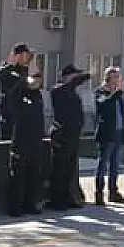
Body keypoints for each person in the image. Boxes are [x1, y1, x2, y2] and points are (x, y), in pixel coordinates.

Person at [0, 43, 45, 217]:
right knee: (18, 170)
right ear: (16, 55)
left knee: (33, 170)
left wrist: (33, 66)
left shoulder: (26, 73)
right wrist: (11, 62)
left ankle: (30, 203)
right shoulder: (8, 71)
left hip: (32, 127)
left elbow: (36, 84)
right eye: (25, 55)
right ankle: (15, 206)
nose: (27, 58)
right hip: (14, 125)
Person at [47, 64, 91, 210]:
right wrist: (82, 77)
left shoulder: (73, 93)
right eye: (74, 76)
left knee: (70, 169)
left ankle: (68, 197)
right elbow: (69, 85)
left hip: (73, 135)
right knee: (60, 168)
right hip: (61, 135)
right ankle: (57, 200)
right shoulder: (57, 90)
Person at [93, 67, 124, 205]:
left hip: (118, 133)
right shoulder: (101, 92)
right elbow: (104, 104)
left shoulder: (118, 95)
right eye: (114, 77)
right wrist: (117, 92)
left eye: (118, 77)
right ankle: (99, 193)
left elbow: (122, 114)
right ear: (107, 78)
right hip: (106, 134)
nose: (117, 80)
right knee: (103, 164)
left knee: (115, 165)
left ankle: (113, 192)